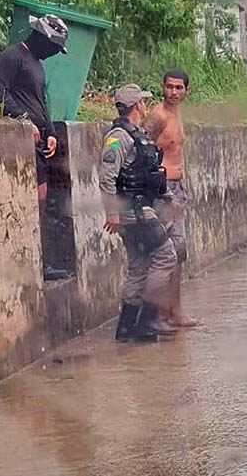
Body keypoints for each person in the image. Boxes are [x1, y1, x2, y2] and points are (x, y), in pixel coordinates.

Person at [100, 84, 179, 343]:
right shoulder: (118, 137)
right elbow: (107, 177)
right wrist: (112, 212)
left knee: (139, 266)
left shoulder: (136, 135)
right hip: (133, 212)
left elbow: (148, 175)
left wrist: (166, 198)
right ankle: (146, 320)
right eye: (143, 102)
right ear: (136, 106)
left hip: (139, 208)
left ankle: (127, 328)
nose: (146, 105)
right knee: (166, 255)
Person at [0, 14, 69, 280]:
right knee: (33, 203)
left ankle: (41, 262)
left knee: (42, 203)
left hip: (38, 144)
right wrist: (24, 123)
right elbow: (0, 95)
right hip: (22, 142)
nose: (53, 53)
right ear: (40, 38)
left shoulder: (37, 64)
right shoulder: (12, 56)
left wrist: (49, 133)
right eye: (53, 47)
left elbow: (40, 102)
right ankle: (33, 262)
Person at [145, 69, 199, 328]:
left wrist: (183, 183)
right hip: (162, 189)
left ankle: (174, 310)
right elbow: (144, 150)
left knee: (178, 250)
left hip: (176, 187)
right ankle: (158, 313)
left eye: (179, 88)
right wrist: (157, 189)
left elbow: (176, 152)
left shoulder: (178, 115)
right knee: (165, 250)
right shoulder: (158, 116)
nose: (173, 92)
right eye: (169, 87)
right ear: (162, 87)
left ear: (187, 91)